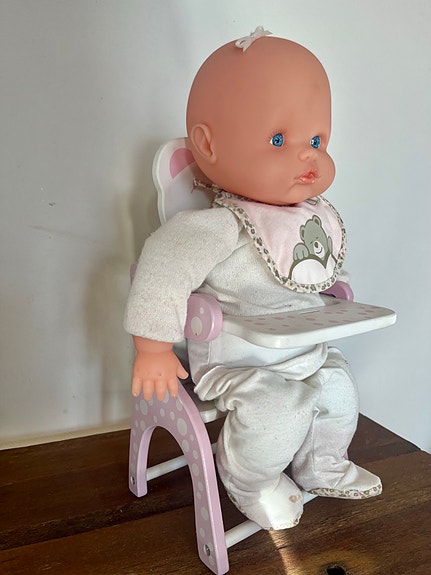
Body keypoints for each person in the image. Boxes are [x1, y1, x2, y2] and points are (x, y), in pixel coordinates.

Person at [125, 28, 382, 530]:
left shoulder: (304, 218)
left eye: (316, 141)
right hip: (240, 362)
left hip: (304, 349)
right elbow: (161, 269)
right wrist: (152, 346)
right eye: (279, 140)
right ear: (208, 145)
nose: (308, 156)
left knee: (339, 388)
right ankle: (251, 482)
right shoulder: (216, 226)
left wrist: (332, 288)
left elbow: (306, 264)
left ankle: (323, 464)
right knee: (277, 411)